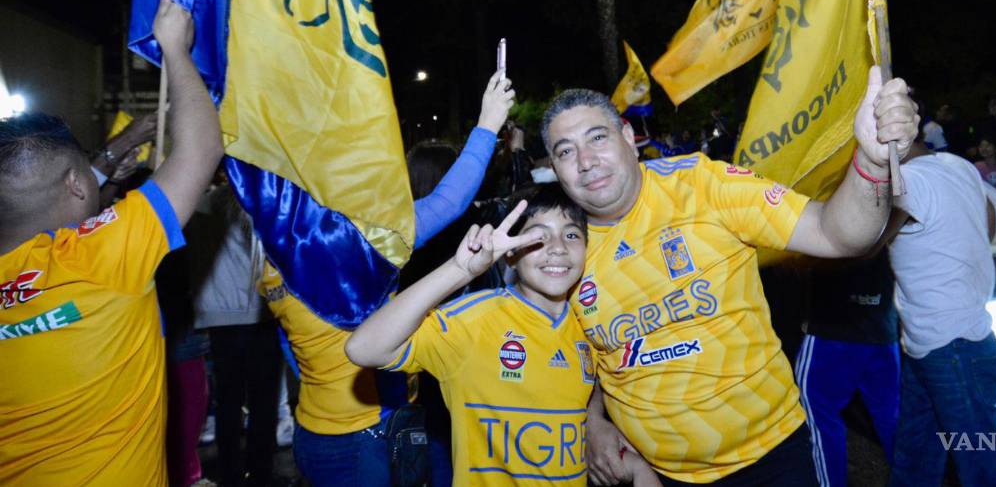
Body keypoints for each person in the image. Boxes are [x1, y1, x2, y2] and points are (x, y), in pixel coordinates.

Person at [541, 65, 918, 486]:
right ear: (556, 169)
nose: (587, 162)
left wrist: (869, 160)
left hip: (774, 458)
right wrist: (593, 421)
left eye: (597, 138)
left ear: (628, 137)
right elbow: (581, 355)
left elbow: (838, 234)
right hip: (663, 476)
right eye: (566, 151)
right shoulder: (562, 250)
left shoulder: (703, 186)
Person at [0, 0, 223, 485]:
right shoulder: (98, 257)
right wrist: (176, 51)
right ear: (77, 186)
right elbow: (202, 148)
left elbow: (59, 191)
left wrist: (105, 159)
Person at [263, 69, 515, 486]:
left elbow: (289, 349)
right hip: (368, 435)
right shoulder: (347, 246)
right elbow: (448, 201)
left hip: (311, 430)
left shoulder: (268, 255)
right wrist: (488, 123)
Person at [347, 187, 661, 486]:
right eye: (538, 236)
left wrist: (603, 432)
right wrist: (460, 270)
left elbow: (593, 385)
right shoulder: (475, 321)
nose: (556, 247)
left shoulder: (591, 322)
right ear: (510, 254)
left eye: (571, 235)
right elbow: (364, 349)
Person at [881, 140, 996, 486]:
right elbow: (990, 226)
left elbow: (864, 241)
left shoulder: (907, 181)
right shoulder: (958, 164)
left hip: (950, 345)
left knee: (984, 469)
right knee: (918, 455)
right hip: (939, 341)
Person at [190, 180, 282, 487]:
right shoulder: (260, 200)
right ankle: (261, 473)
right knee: (263, 404)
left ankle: (230, 474)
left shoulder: (201, 203)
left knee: (228, 402)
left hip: (219, 315)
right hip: (259, 314)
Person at [795, 252, 899, 487]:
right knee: (892, 418)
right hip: (882, 326)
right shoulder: (901, 214)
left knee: (817, 418)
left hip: (833, 328)